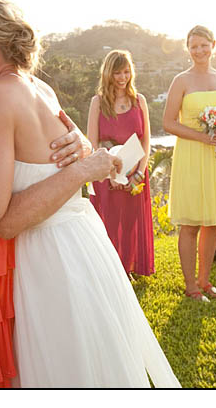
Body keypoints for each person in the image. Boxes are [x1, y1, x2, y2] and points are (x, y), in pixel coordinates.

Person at [0, 0, 180, 388]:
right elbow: (67, 152)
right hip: (85, 245)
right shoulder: (37, 86)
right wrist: (86, 157)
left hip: (47, 256)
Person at [163, 25, 216, 302]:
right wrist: (201, 135)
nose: (199, 51)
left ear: (213, 46)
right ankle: (191, 287)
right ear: (188, 49)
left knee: (214, 222)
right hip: (192, 155)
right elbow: (168, 122)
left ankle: (205, 281)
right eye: (194, 46)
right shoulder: (181, 81)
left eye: (203, 45)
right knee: (192, 223)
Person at [87, 50, 155, 278]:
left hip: (136, 172)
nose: (122, 77)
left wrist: (138, 174)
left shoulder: (139, 101)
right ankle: (110, 271)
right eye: (117, 72)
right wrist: (111, 176)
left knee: (130, 223)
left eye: (126, 71)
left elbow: (146, 140)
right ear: (108, 73)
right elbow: (93, 143)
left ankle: (130, 268)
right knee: (109, 223)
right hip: (107, 174)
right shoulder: (97, 102)